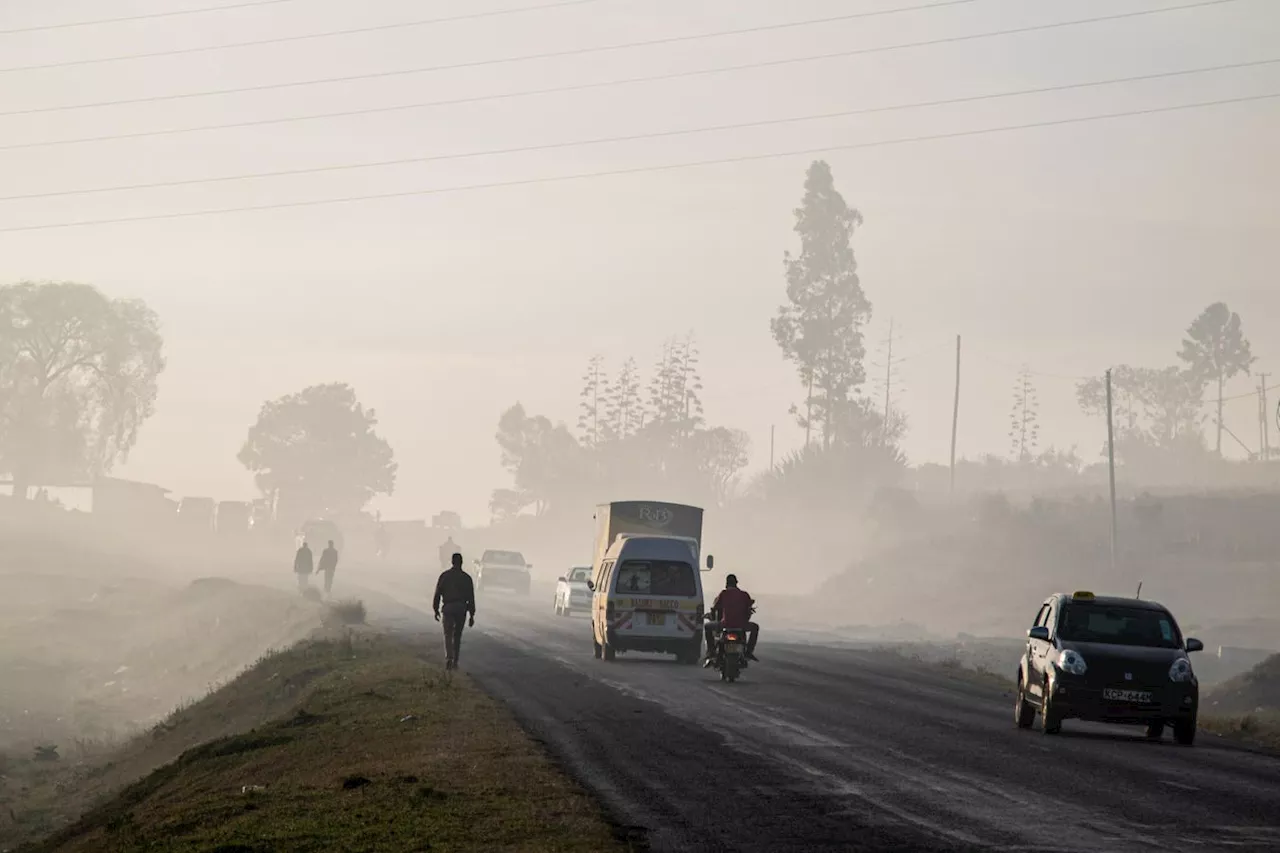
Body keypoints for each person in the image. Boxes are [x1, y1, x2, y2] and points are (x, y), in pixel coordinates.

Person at [703, 573, 759, 667]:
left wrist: (711, 615)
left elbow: (715, 607)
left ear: (726, 583)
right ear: (736, 583)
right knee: (755, 627)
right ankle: (749, 651)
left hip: (726, 624)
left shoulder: (723, 594)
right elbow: (749, 609)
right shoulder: (744, 595)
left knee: (707, 627)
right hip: (741, 626)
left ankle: (711, 652)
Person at [433, 552, 476, 670]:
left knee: (448, 634)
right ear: (461, 562)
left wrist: (435, 609)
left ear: (451, 562)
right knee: (457, 635)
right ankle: (456, 660)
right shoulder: (467, 578)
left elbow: (437, 594)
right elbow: (471, 598)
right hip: (461, 609)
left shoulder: (444, 576)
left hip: (447, 608)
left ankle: (449, 658)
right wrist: (472, 615)